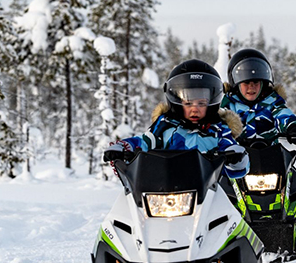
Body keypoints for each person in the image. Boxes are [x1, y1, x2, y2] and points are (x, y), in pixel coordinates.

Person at [103, 60, 249, 179]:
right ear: (177, 102)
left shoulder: (218, 131)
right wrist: (123, 148)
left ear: (212, 103)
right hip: (162, 189)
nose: (195, 109)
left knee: (226, 206)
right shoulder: (164, 127)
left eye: (201, 103)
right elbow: (144, 141)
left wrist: (236, 157)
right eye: (188, 103)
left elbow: (236, 161)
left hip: (207, 193)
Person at [223, 48, 296, 146]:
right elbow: (218, 123)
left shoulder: (272, 103)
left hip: (270, 153)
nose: (251, 86)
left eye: (256, 82)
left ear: (263, 83)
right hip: (237, 153)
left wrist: (293, 127)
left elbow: (283, 114)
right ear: (236, 84)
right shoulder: (229, 106)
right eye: (246, 82)